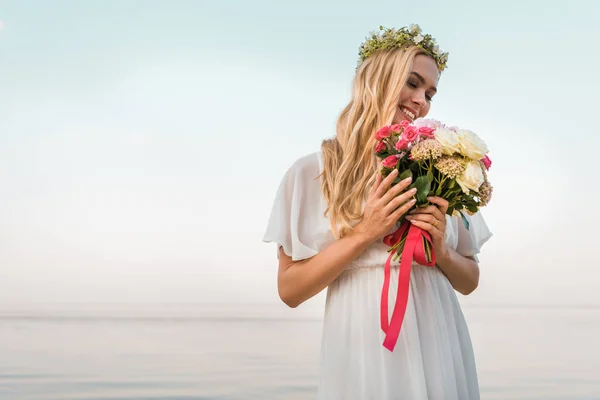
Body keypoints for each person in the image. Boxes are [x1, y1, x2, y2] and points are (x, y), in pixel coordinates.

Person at [262, 24, 493, 400]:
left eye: (430, 93)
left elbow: (469, 281)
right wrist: (364, 233)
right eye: (412, 83)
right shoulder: (312, 171)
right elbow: (290, 290)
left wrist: (442, 251)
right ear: (378, 79)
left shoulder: (441, 168)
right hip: (360, 345)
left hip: (439, 338)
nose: (421, 100)